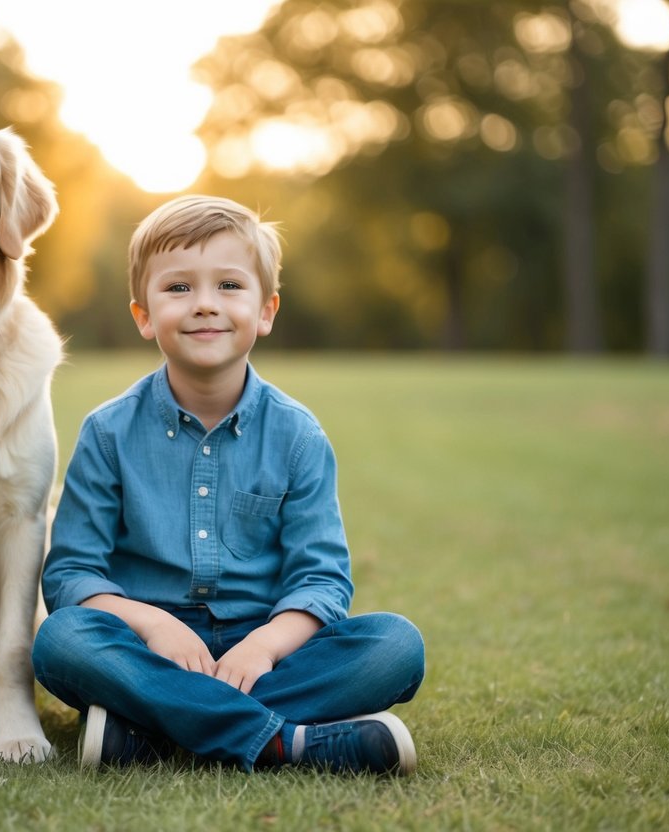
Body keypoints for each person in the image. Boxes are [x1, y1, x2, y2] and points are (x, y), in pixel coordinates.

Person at [32, 195, 425, 774]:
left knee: (395, 646)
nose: (206, 305)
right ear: (144, 315)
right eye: (179, 288)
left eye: (229, 286)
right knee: (62, 641)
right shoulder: (108, 432)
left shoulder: (297, 435)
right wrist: (156, 625)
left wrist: (262, 647)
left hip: (265, 649)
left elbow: (320, 580)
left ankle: (153, 732)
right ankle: (283, 743)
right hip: (146, 648)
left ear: (266, 311)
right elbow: (71, 576)